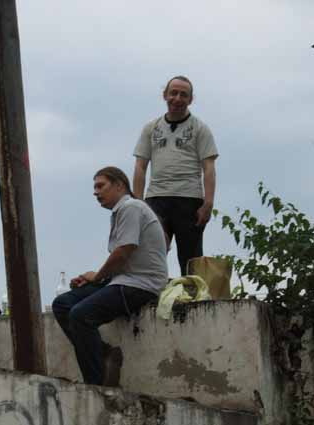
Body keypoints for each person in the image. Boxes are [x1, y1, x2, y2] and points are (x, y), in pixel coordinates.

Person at [52, 167, 168, 386]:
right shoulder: (121, 211)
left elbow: (123, 252)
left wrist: (98, 277)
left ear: (119, 185)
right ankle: (103, 353)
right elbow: (122, 259)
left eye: (100, 186)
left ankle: (97, 385)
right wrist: (95, 278)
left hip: (141, 285)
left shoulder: (131, 207)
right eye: (94, 187)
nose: (96, 192)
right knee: (62, 304)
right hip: (123, 280)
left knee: (80, 315)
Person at [133, 75, 219, 275]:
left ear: (190, 99)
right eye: (173, 93)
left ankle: (193, 292)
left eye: (183, 94)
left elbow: (209, 167)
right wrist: (138, 203)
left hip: (189, 200)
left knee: (191, 261)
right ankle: (151, 291)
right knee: (150, 256)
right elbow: (140, 166)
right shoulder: (151, 128)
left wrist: (208, 203)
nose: (177, 98)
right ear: (165, 95)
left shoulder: (200, 128)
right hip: (156, 199)